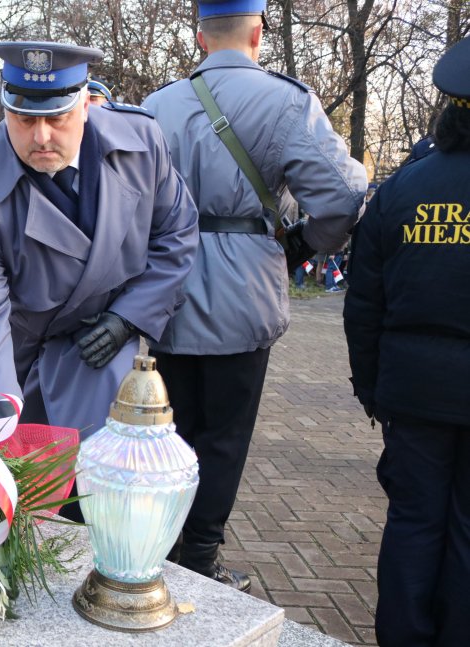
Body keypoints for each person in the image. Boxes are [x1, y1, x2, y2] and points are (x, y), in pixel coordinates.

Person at [141, 0, 367, 591]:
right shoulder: (287, 102)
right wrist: (299, 245)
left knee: (167, 430)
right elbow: (343, 198)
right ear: (258, 32)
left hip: (162, 292)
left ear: (199, 36)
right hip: (244, 294)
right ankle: (200, 559)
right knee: (224, 435)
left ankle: (156, 552)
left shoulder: (153, 107)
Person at [0, 41, 198, 454]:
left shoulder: (141, 143)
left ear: (84, 106)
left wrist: (128, 318)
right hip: (20, 358)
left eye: (56, 117)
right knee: (29, 486)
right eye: (24, 118)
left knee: (105, 478)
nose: (41, 137)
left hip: (105, 340)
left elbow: (176, 234)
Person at [344, 36, 470, 647]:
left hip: (413, 390)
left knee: (414, 522)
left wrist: (372, 386)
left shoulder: (400, 192)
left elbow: (363, 305)